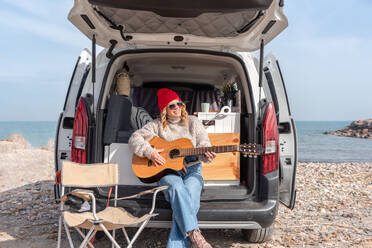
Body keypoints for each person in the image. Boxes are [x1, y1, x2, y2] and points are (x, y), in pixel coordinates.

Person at [128, 88, 216, 248]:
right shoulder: (156, 126)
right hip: (167, 170)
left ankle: (188, 238)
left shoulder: (193, 122)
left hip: (192, 169)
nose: (177, 108)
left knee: (189, 193)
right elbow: (134, 138)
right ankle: (194, 234)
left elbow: (204, 143)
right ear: (164, 110)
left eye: (179, 104)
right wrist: (150, 152)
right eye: (172, 106)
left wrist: (206, 154)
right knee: (177, 188)